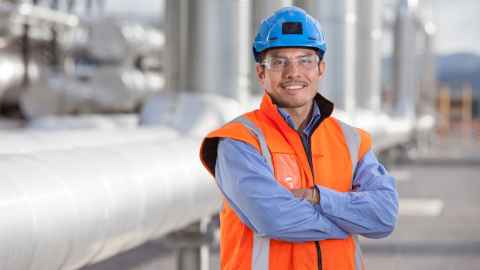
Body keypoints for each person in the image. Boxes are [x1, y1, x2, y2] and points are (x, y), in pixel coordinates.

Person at [199, 6, 398, 270]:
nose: (293, 72)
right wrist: (349, 221)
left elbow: (383, 216)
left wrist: (318, 197)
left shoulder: (352, 141)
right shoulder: (239, 141)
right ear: (261, 73)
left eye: (305, 60)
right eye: (279, 61)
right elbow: (275, 219)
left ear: (320, 69)